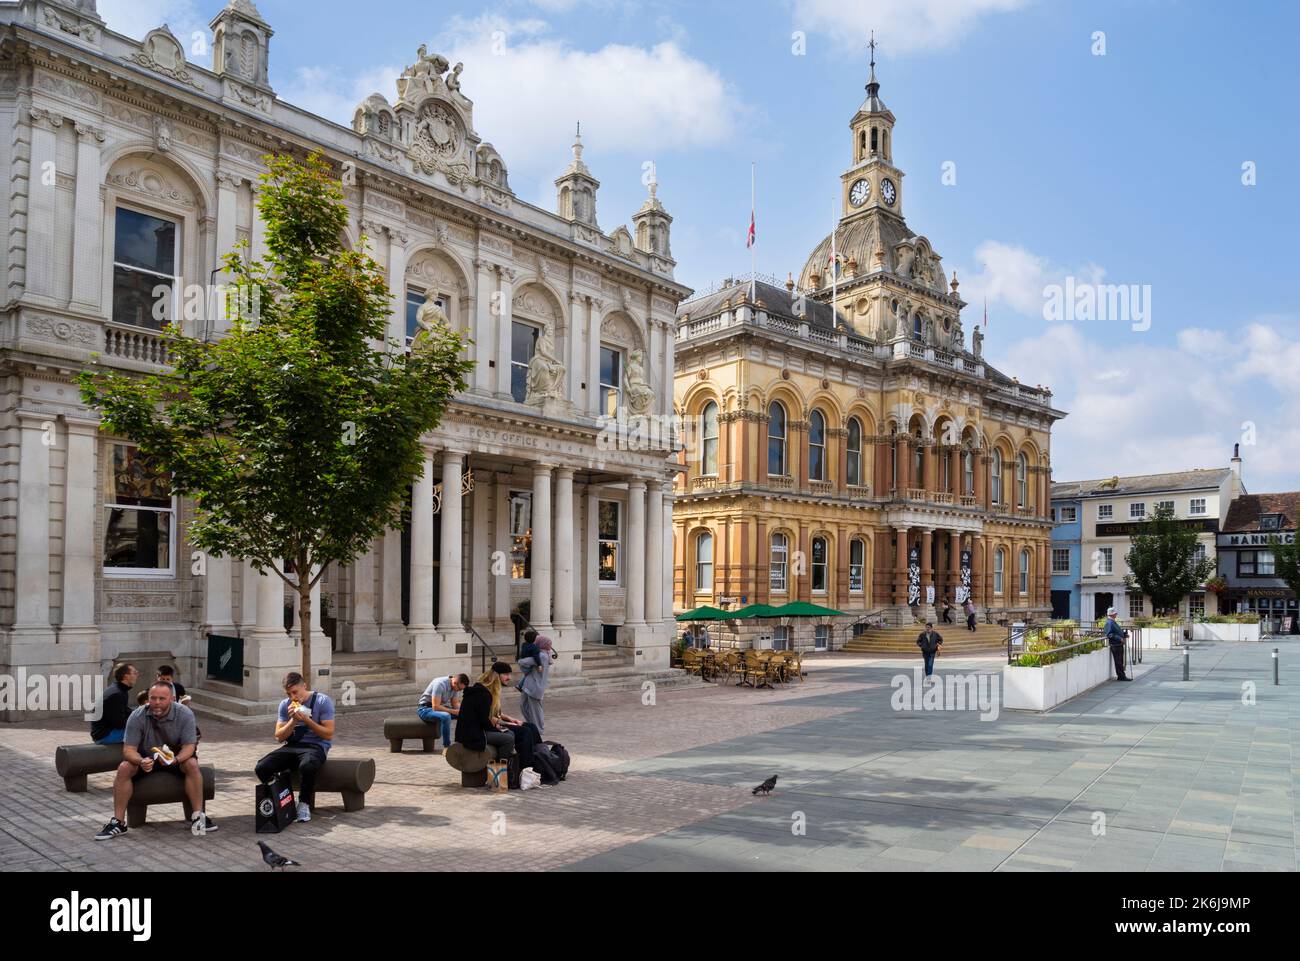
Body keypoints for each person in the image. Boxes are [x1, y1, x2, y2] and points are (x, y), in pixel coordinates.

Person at [94, 681, 214, 839]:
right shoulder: (137, 716)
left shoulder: (184, 713)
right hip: (146, 759)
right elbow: (128, 750)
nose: (156, 703)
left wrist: (176, 760)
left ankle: (198, 816)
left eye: (162, 699)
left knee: (191, 763)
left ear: (172, 699)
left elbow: (189, 747)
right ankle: (118, 822)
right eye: (153, 698)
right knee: (124, 767)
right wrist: (140, 761)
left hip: (175, 759)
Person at [254, 672, 336, 824]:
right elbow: (279, 736)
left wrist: (307, 720)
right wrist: (292, 721)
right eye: (289, 693)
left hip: (315, 746)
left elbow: (328, 734)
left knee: (307, 766)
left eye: (295, 692)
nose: (293, 697)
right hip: (292, 747)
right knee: (262, 767)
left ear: (304, 686)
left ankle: (304, 804)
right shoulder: (285, 705)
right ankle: (282, 796)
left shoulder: (323, 701)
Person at [455, 662, 521, 761]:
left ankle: (504, 764)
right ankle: (501, 769)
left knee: (510, 733)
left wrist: (497, 727)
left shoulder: (482, 691)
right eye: (506, 674)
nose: (509, 678)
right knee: (508, 739)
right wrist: (496, 729)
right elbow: (484, 720)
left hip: (474, 730)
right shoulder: (483, 694)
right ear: (497, 677)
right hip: (472, 734)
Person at [91, 663, 138, 745]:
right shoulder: (116, 694)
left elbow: (125, 712)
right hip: (105, 735)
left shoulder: (119, 690)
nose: (137, 675)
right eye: (134, 673)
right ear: (126, 676)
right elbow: (119, 723)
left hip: (107, 731)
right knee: (144, 732)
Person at [417, 672, 468, 748]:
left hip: (439, 707)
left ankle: (464, 742)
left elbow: (455, 704)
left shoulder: (455, 687)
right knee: (446, 716)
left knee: (466, 715)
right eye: (460, 689)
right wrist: (454, 712)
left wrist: (464, 711)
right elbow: (436, 707)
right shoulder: (440, 684)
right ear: (455, 683)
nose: (459, 691)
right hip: (425, 709)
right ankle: (447, 747)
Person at [518, 635, 553, 735]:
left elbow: (523, 662)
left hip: (535, 686)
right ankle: (532, 725)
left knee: (535, 710)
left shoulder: (542, 655)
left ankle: (538, 729)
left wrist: (520, 659)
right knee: (524, 706)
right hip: (529, 685)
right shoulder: (544, 654)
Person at [1104, 607, 1131, 681]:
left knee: (1120, 661)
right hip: (1115, 645)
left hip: (1119, 644)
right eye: (1115, 613)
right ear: (1111, 614)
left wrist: (1124, 635)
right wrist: (1119, 638)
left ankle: (1121, 676)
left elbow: (1117, 632)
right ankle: (1121, 676)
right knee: (1118, 661)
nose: (1116, 614)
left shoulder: (1113, 622)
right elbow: (1109, 634)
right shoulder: (1109, 623)